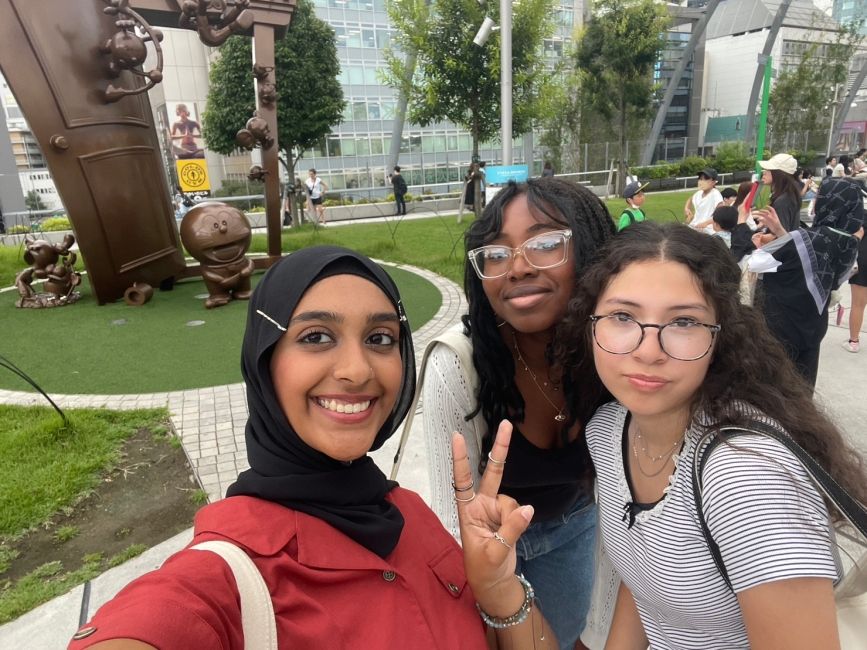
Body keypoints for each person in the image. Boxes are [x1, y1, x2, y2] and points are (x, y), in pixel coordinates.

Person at [69, 247, 510, 649]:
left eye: (380, 338)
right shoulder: (229, 574)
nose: (357, 371)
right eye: (316, 337)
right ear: (265, 360)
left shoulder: (410, 511)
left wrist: (499, 591)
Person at [555, 221, 867, 649]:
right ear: (590, 324)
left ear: (721, 335)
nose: (648, 351)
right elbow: (646, 582)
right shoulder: (609, 431)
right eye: (623, 316)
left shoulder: (746, 476)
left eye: (683, 321)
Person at [422, 177, 617, 649]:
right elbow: (454, 523)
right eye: (496, 253)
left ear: (592, 253)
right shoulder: (459, 367)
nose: (518, 267)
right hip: (487, 544)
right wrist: (487, 579)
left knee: (566, 637)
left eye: (546, 243)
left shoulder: (617, 350)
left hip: (574, 524)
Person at [748, 177, 864, 386]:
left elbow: (758, 263)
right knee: (802, 382)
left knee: (775, 385)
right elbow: (806, 257)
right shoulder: (849, 240)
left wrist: (764, 244)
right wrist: (781, 232)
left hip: (783, 322)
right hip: (813, 323)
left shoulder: (810, 237)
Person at [757, 153, 802, 232]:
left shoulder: (782, 201)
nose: (764, 173)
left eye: (769, 170)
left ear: (780, 174)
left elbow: (781, 236)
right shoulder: (788, 194)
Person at [843, 231, 867, 352]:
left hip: (864, 258)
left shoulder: (861, 214)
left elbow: (858, 234)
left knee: (858, 304)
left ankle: (854, 342)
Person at [684, 167, 722, 232]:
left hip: (708, 229)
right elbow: (690, 199)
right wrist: (687, 208)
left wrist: (706, 223)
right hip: (694, 226)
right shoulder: (699, 193)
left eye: (706, 179)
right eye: (700, 179)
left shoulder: (715, 194)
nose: (701, 182)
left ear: (713, 182)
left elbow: (721, 213)